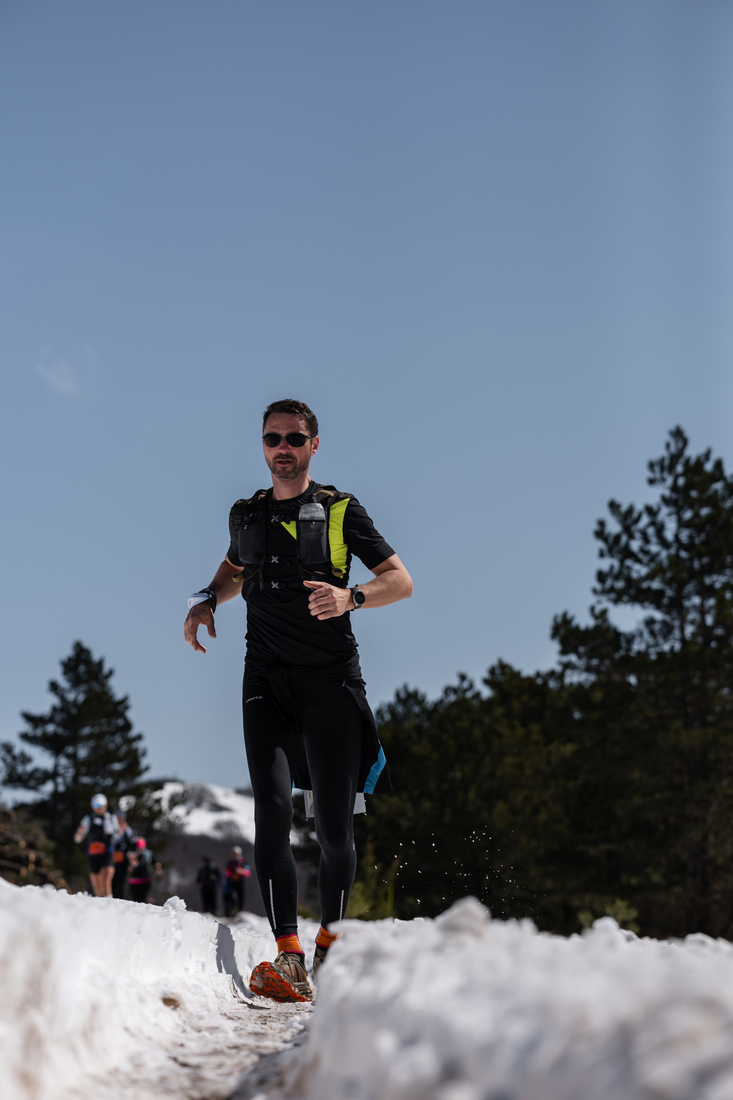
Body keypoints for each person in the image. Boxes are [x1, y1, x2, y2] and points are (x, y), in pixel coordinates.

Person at [184, 398, 412, 1003]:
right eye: (272, 438)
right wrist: (206, 600)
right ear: (262, 446)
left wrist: (351, 597)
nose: (281, 448)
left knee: (334, 828)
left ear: (313, 445)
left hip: (330, 683)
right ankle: (289, 956)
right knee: (270, 812)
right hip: (265, 679)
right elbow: (234, 570)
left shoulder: (340, 510)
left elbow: (401, 580)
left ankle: (330, 942)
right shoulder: (247, 514)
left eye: (293, 438)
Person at [74, 793, 119, 897]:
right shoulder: (89, 818)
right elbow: (78, 838)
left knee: (106, 878)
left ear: (105, 805)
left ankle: (109, 900)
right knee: (97, 885)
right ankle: (100, 901)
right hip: (93, 853)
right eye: (95, 805)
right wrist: (79, 833)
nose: (98, 808)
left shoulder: (111, 818)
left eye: (100, 805)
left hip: (107, 851)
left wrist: (114, 834)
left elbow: (117, 835)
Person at [111, 812, 137, 900]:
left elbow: (133, 845)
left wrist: (131, 862)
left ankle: (119, 898)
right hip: (111, 858)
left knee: (120, 880)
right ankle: (108, 897)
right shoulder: (111, 827)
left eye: (121, 818)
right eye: (118, 818)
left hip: (123, 859)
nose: (119, 820)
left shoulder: (128, 830)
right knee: (110, 878)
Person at [222, 845, 251, 917]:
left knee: (240, 898)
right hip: (231, 882)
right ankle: (232, 910)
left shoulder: (243, 862)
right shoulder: (230, 862)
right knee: (230, 897)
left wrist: (241, 871)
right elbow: (227, 871)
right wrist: (230, 874)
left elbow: (247, 872)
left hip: (240, 882)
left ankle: (240, 912)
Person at [127, 837, 156, 903]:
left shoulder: (148, 853)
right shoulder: (133, 854)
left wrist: (157, 868)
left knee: (142, 899)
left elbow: (155, 862)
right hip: (135, 880)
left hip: (144, 879)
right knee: (135, 899)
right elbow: (132, 865)